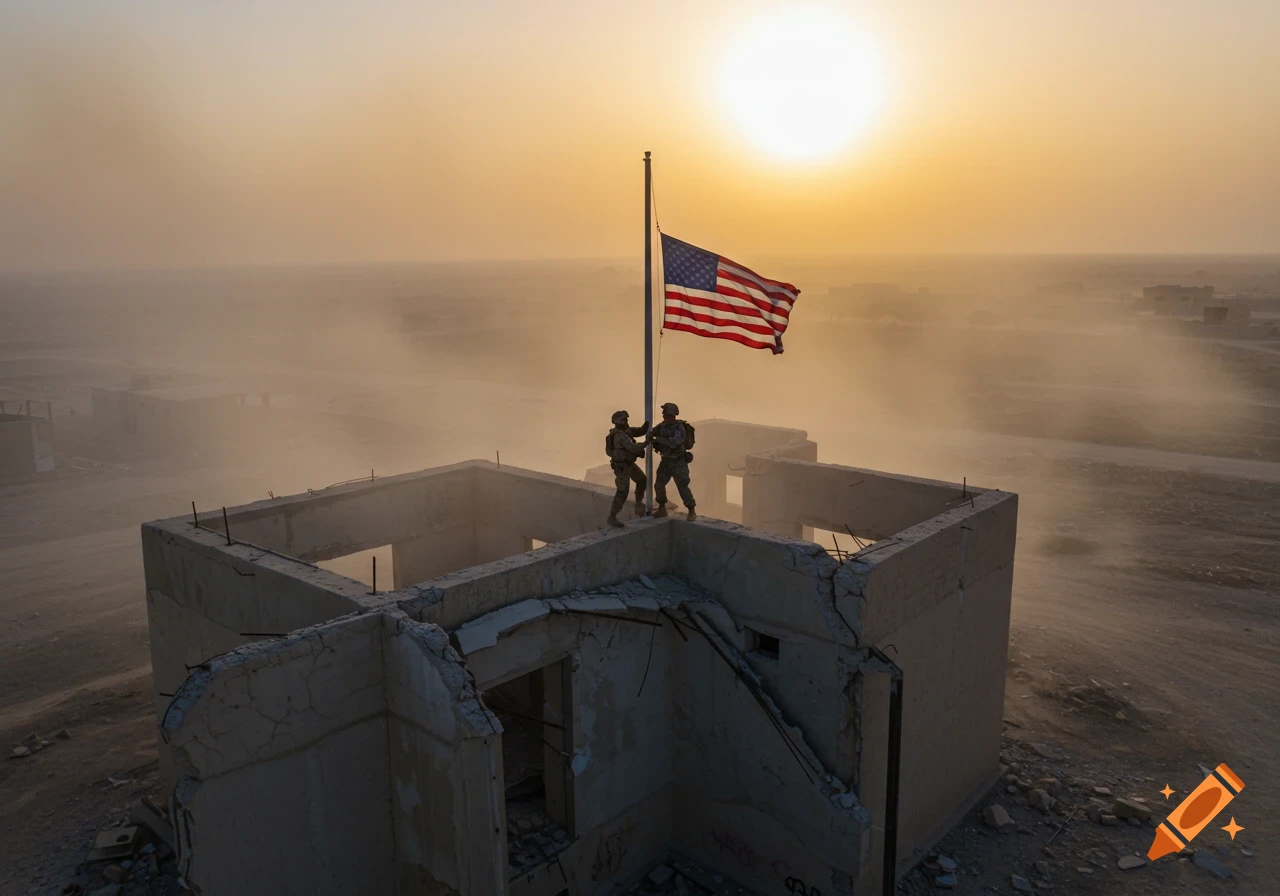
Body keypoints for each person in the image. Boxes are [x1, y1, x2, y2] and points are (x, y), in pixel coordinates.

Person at [650, 402, 696, 520]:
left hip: (678, 462)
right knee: (659, 484)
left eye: (665, 412)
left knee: (682, 486)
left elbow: (674, 442)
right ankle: (661, 508)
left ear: (671, 414)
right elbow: (653, 431)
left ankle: (691, 510)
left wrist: (658, 439)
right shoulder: (663, 425)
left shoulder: (679, 428)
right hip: (666, 461)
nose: (663, 415)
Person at [605, 410, 649, 528]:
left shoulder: (625, 431)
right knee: (622, 492)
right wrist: (646, 443)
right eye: (624, 420)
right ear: (619, 422)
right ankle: (612, 517)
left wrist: (646, 426)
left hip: (629, 464)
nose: (627, 422)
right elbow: (633, 448)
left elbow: (637, 431)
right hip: (622, 468)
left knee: (642, 480)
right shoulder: (620, 435)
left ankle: (638, 505)